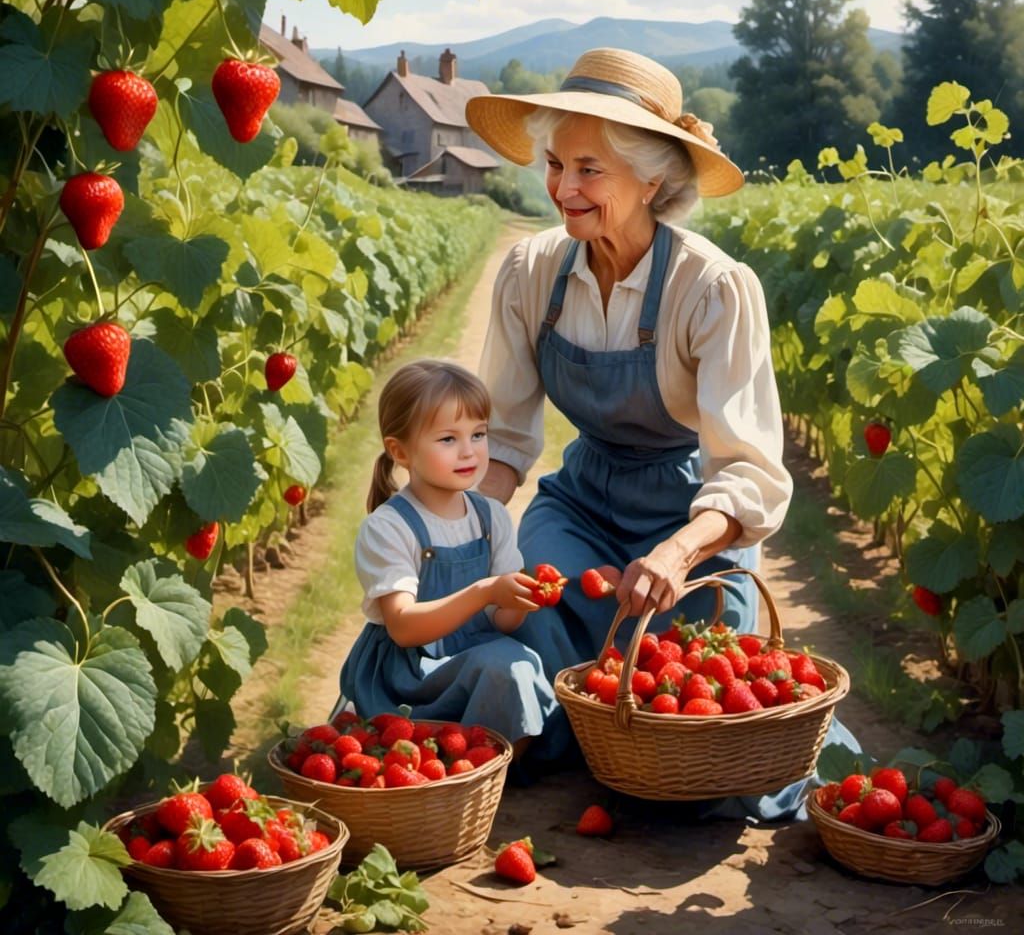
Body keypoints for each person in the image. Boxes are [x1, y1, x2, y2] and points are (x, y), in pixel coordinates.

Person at [465, 48, 859, 817]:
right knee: (528, 598)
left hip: (691, 516)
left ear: (653, 180)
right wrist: (460, 534)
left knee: (697, 684)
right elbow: (506, 440)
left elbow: (746, 468)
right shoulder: (531, 273)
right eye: (554, 164)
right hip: (583, 499)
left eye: (589, 169)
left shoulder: (712, 288)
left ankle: (667, 770)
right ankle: (570, 742)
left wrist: (677, 554)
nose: (563, 188)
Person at [336, 359, 558, 754]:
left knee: (518, 660)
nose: (468, 451)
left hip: (471, 658)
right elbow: (402, 627)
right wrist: (485, 591)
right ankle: (459, 768)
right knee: (501, 666)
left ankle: (491, 770)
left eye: (478, 434)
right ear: (399, 451)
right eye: (448, 440)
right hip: (409, 671)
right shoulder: (390, 527)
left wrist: (522, 600)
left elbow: (501, 623)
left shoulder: (491, 517)